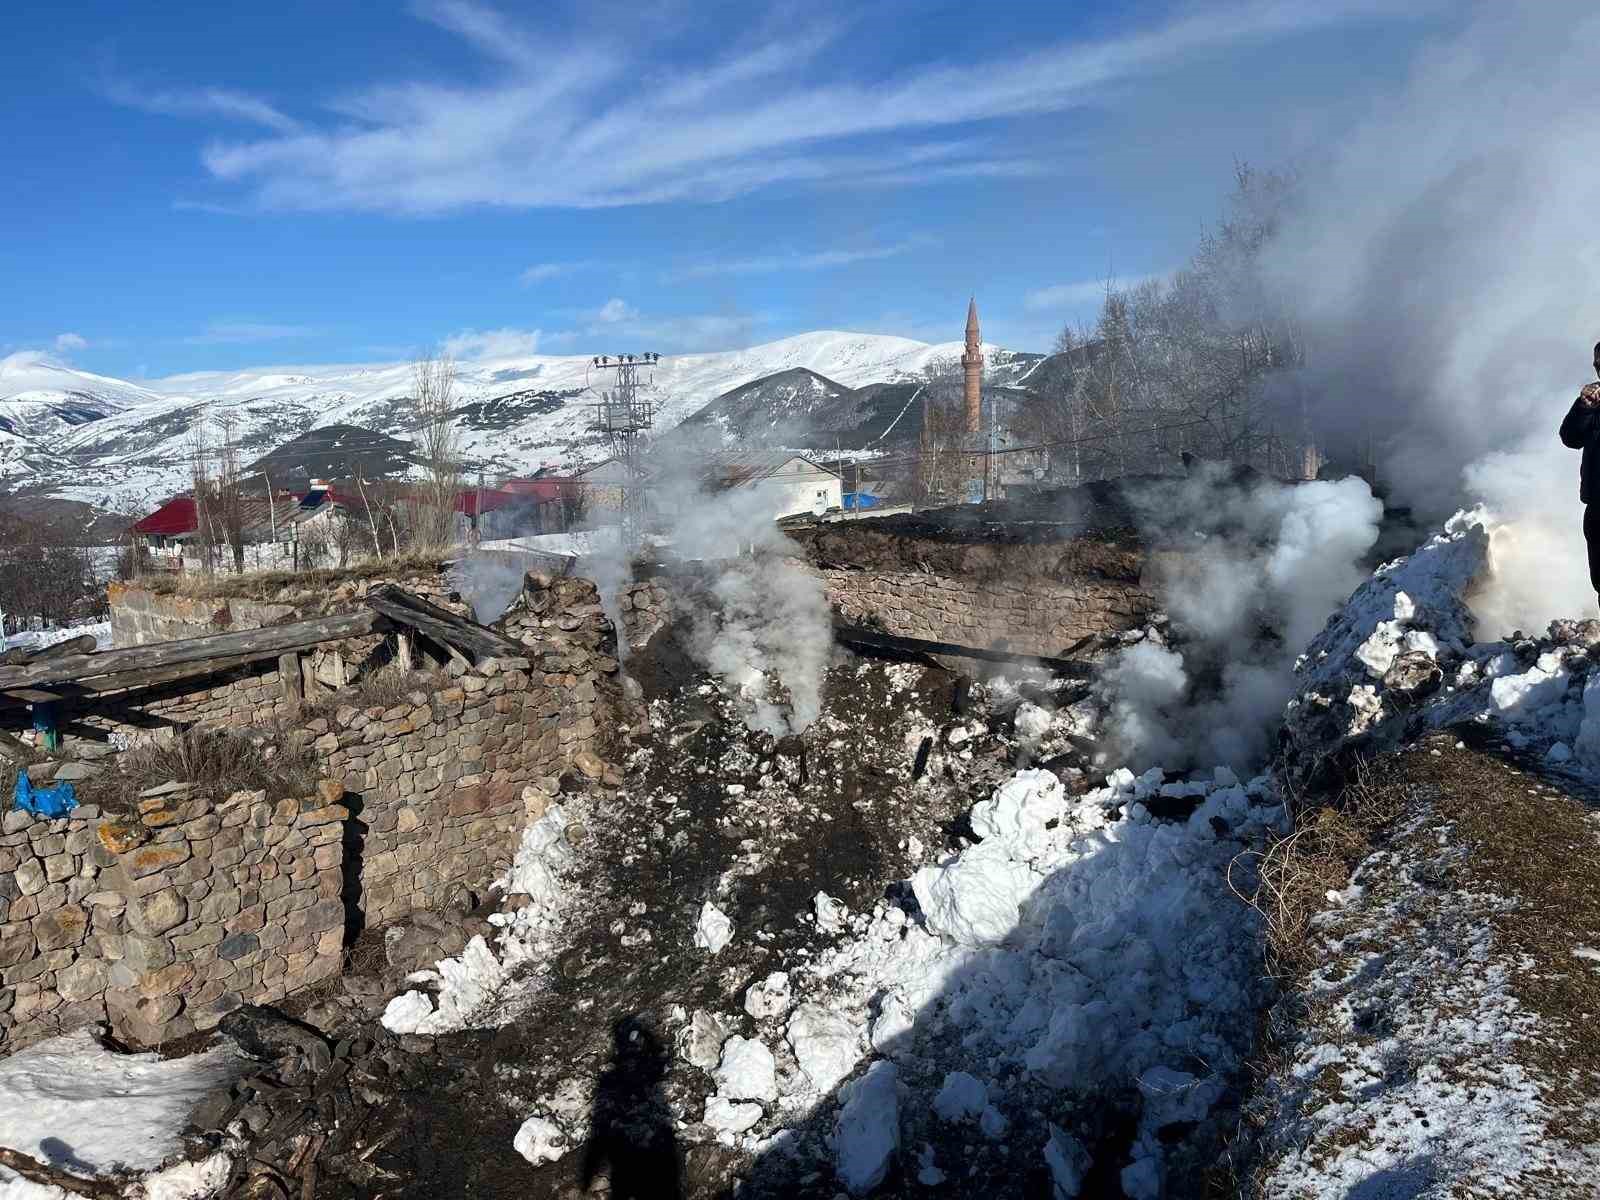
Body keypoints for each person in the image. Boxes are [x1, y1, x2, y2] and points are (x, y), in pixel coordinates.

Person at [1559, 340, 1600, 608]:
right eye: (1597, 365)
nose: (1599, 371)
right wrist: (1584, 407)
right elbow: (1571, 438)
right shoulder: (1594, 402)